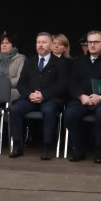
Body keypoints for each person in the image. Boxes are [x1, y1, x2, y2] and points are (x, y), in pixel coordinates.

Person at [63, 31, 101, 163]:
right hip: (83, 100)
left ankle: (99, 151)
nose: (92, 45)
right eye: (90, 42)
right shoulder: (79, 61)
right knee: (70, 114)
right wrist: (81, 95)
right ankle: (79, 149)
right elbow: (71, 83)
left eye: (96, 42)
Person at [8, 32, 69, 160]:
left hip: (50, 99)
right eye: (38, 42)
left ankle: (47, 147)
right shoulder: (30, 61)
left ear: (51, 45)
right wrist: (30, 95)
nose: (40, 45)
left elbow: (62, 85)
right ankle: (17, 145)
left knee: (49, 110)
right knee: (15, 109)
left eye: (44, 42)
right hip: (30, 98)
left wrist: (44, 95)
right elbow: (21, 84)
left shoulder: (59, 63)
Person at [0, 32, 26, 101]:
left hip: (11, 91)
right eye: (2, 43)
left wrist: (3, 85)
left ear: (13, 45)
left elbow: (19, 78)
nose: (4, 45)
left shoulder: (21, 58)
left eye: (7, 43)